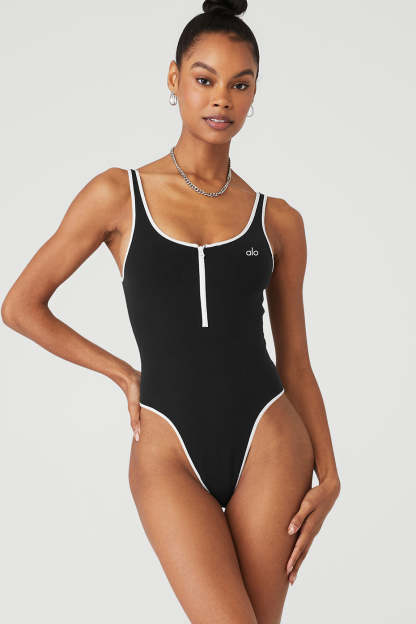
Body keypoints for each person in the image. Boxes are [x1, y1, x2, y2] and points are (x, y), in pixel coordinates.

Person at [2, 1, 341, 622]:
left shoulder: (279, 221)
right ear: (173, 78)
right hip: (167, 451)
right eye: (205, 79)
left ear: (255, 93)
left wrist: (332, 472)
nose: (222, 99)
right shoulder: (118, 194)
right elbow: (21, 306)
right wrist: (122, 374)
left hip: (270, 440)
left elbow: (295, 358)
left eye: (240, 84)